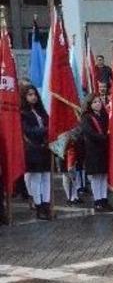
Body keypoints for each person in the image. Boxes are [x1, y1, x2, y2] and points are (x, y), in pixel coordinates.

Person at [20, 86, 53, 221]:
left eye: (34, 94)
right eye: (29, 95)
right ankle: (38, 207)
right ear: (24, 97)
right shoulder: (23, 113)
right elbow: (29, 131)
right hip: (32, 149)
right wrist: (46, 130)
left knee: (46, 177)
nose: (33, 97)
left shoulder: (41, 111)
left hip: (44, 148)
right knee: (36, 178)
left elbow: (49, 123)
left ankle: (46, 205)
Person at [79, 93, 113, 212]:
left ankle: (104, 199)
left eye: (99, 101)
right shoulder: (86, 117)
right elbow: (89, 133)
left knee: (103, 176)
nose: (98, 104)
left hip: (104, 149)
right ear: (89, 104)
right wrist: (104, 138)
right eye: (94, 102)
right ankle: (97, 201)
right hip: (93, 150)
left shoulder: (104, 116)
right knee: (96, 177)